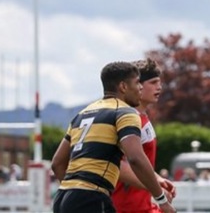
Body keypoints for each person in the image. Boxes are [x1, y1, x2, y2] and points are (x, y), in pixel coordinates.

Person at [50, 61, 176, 213]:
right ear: (123, 87)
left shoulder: (82, 114)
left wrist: (74, 192)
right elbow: (135, 158)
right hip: (93, 197)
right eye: (137, 83)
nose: (140, 88)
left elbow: (57, 163)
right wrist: (161, 198)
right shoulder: (124, 112)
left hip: (63, 197)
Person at [113, 58, 176, 213]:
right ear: (137, 86)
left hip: (142, 206)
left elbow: (142, 161)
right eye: (153, 82)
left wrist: (158, 179)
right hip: (125, 207)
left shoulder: (142, 117)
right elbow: (119, 164)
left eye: (159, 82)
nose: (159, 87)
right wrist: (156, 188)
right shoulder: (128, 119)